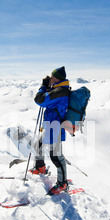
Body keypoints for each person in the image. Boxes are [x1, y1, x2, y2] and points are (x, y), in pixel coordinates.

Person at [30, 66, 70, 195]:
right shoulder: (57, 90)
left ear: (57, 78)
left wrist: (43, 87)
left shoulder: (60, 92)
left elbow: (39, 100)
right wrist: (48, 87)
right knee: (38, 145)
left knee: (57, 157)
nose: (50, 78)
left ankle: (63, 183)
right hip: (50, 126)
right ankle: (40, 167)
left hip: (56, 128)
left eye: (52, 77)